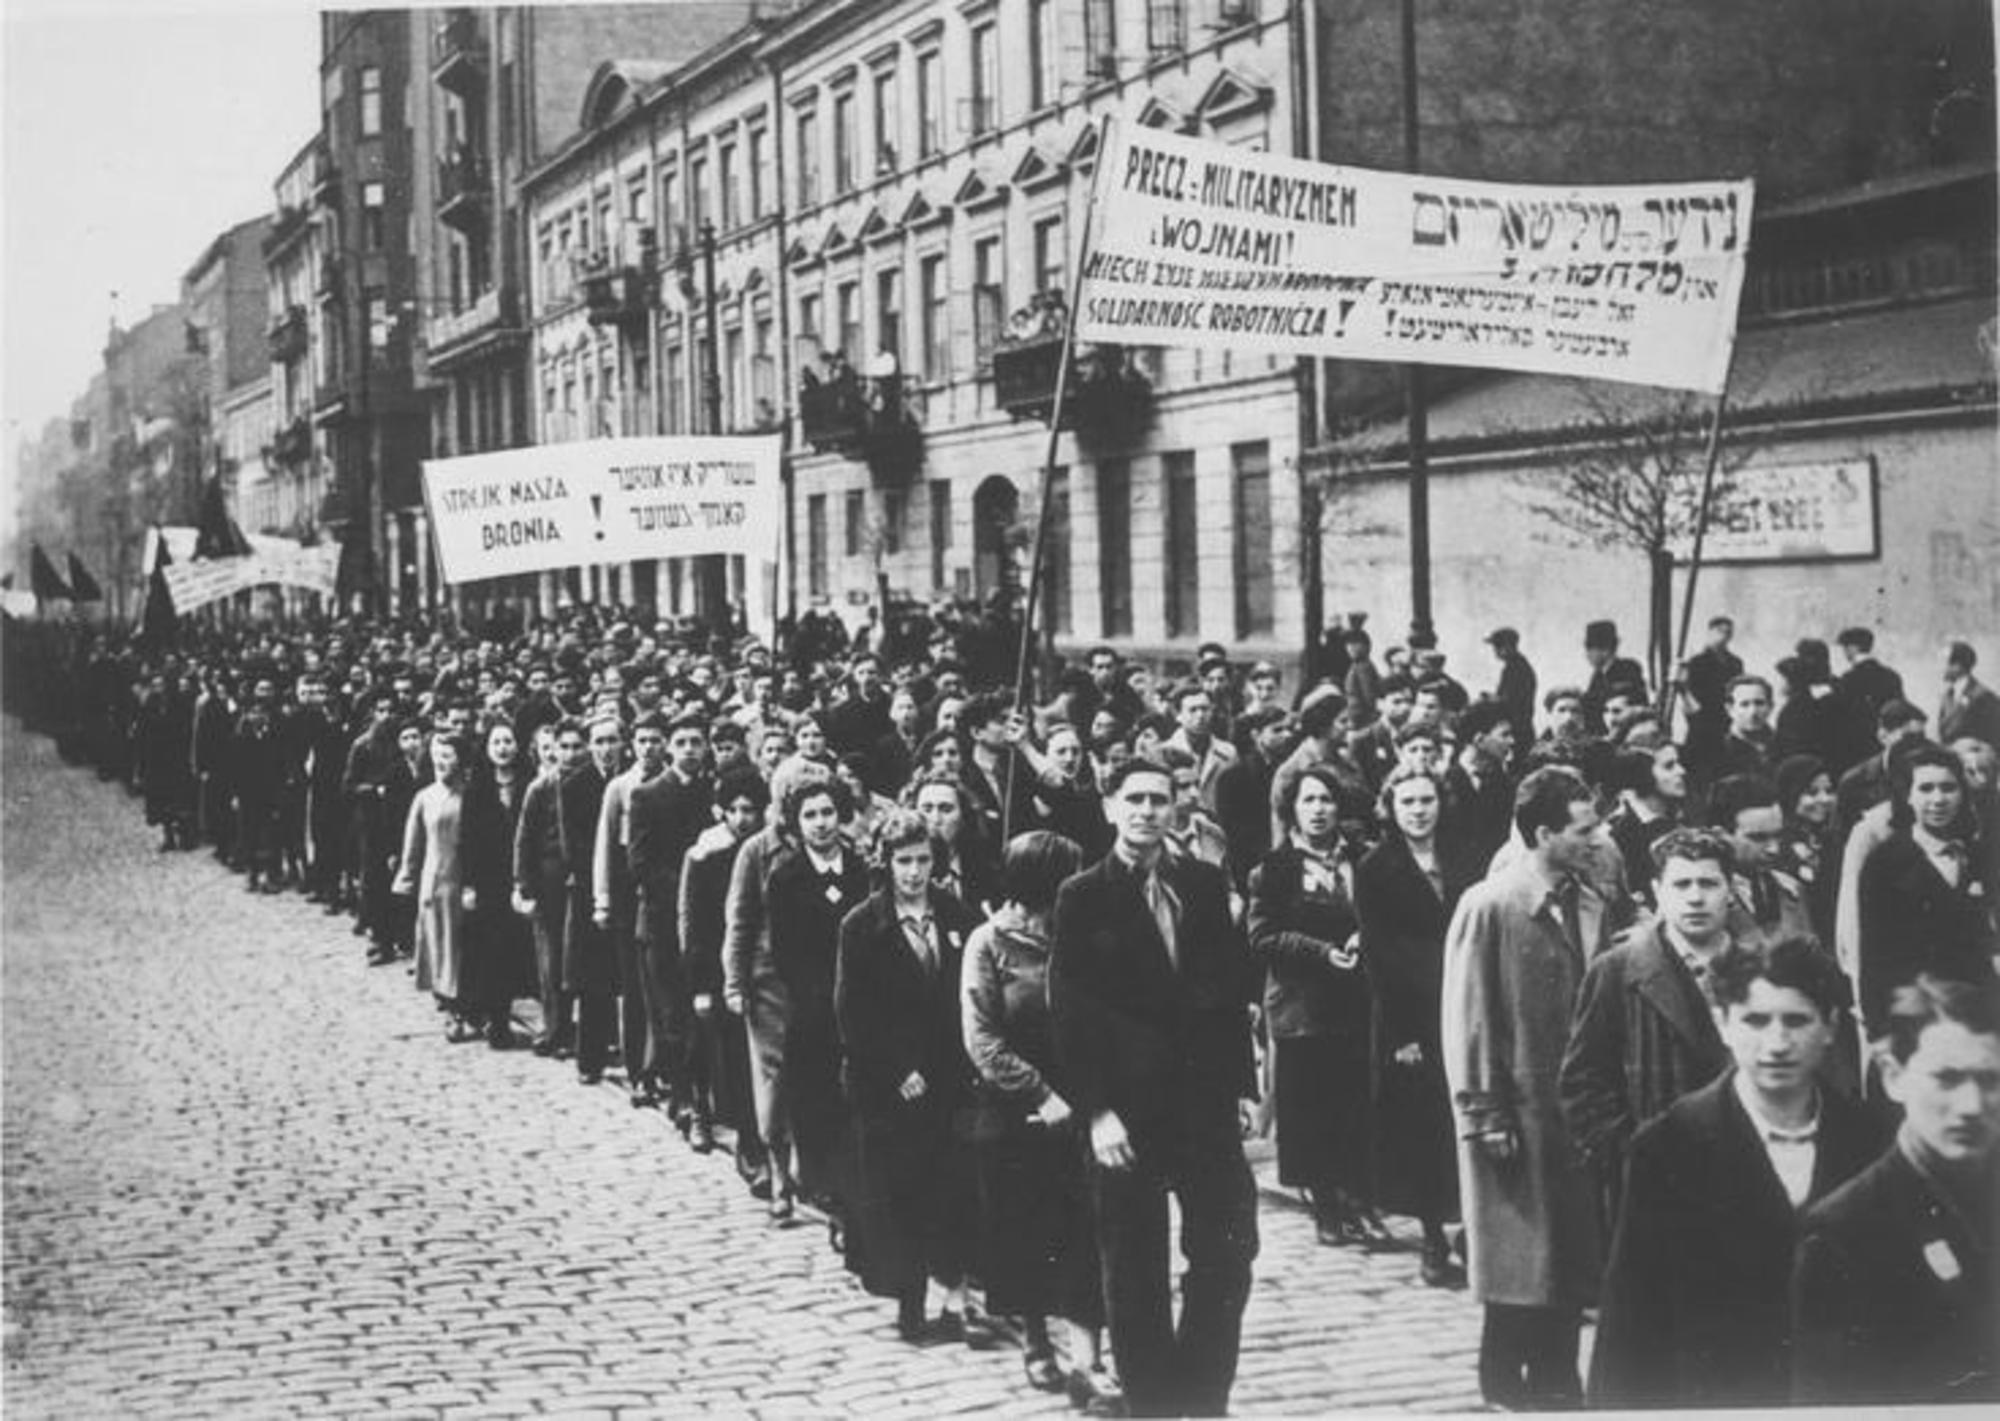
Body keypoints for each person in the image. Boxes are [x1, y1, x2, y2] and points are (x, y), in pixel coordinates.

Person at [1050, 758, 1261, 1418]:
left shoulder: (1201, 884)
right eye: (1134, 798)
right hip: (1126, 1110)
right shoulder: (1083, 895)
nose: (1147, 811)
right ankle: (1153, 1403)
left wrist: (1242, 1085)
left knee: (1228, 1249)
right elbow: (1070, 1010)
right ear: (1110, 807)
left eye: (1159, 799)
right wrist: (1097, 1112)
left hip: (1202, 1104)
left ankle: (1202, 1394)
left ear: (1176, 808)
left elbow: (1228, 989)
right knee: (1135, 1265)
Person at [1589, 938, 1879, 1408]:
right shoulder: (1669, 1148)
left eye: (1797, 1021)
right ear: (1723, 1023)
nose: (1777, 1044)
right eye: (1755, 1021)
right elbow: (1630, 1322)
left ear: (1830, 1026)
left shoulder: (1869, 1140)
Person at [1442, 766, 1609, 1410]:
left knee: (1565, 1251)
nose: (1595, 840)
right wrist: (1484, 1112)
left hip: (1576, 1108)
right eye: (1583, 829)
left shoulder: (1588, 899)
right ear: (1543, 833)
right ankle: (1504, 1380)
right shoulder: (1490, 905)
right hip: (1516, 1107)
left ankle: (1555, 1379)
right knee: (1520, 1255)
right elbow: (1469, 1016)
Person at [961, 830, 1117, 1409]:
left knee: (1087, 1232)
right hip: (1016, 1111)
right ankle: (1034, 1338)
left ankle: (1088, 1361)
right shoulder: (988, 943)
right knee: (1026, 1229)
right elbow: (982, 1038)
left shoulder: (1084, 936)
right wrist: (1039, 1093)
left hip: (1085, 1106)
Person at [1792, 975, 2000, 1404]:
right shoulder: (1842, 1234)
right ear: (1893, 1077)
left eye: (1990, 1080)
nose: (1972, 1105)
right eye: (1947, 1078)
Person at [836, 809, 985, 1344]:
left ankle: (956, 1303)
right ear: (886, 863)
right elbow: (853, 1012)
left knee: (954, 1190)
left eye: (923, 860)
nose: (915, 872)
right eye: (904, 861)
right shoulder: (862, 925)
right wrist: (896, 1069)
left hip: (950, 1079)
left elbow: (971, 996)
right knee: (901, 1195)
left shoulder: (957, 916)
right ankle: (909, 1303)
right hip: (890, 1088)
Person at [1560, 828, 1737, 1207]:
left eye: (1708, 883)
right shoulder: (1617, 971)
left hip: (1746, 1172)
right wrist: (1631, 1156)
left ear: (1731, 890)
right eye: (1681, 884)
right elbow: (1584, 1083)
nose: (1695, 897)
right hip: (1658, 1183)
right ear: (1658, 891)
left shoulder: (1765, 967)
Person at [1247, 765, 1381, 1250]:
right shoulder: (1274, 869)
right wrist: (1321, 952)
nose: (1319, 810)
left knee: (1355, 1103)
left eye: (1326, 800)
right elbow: (1262, 936)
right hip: (1303, 1004)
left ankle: (1358, 1200)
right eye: (1308, 800)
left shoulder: (1364, 859)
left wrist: (1366, 936)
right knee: (1312, 1109)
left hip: (1357, 999)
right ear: (1292, 810)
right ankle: (1325, 1205)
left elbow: (1385, 913)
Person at [1356, 764, 1477, 1287]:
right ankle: (1432, 1238)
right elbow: (1378, 953)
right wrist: (1402, 1035)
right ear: (1391, 808)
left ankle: (1472, 1230)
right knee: (1423, 1128)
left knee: (1466, 1117)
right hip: (1411, 1012)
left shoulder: (1464, 855)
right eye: (1407, 802)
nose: (1419, 810)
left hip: (1465, 999)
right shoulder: (1375, 867)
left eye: (1427, 800)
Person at [758, 774, 867, 1223]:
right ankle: (825, 1191)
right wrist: (822, 995)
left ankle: (855, 1193)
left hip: (861, 1006)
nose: (821, 823)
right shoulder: (786, 877)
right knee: (816, 1100)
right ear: (796, 823)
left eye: (827, 813)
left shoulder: (861, 870)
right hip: (815, 1010)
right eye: (810, 815)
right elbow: (786, 953)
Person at [1855, 744, 1998, 1031]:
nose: (1938, 799)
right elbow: (1873, 955)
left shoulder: (1976, 855)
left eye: (1948, 788)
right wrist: (1879, 1027)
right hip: (1918, 1015)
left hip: (1979, 1011)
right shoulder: (1886, 862)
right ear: (1908, 795)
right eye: (1926, 788)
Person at [681, 766, 773, 1187]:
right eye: (733, 810)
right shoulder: (706, 856)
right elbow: (695, 926)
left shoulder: (767, 855)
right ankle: (743, 1143)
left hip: (761, 971)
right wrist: (701, 985)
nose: (741, 818)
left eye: (749, 810)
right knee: (727, 1057)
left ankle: (765, 1145)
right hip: (718, 970)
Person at [627, 711, 715, 1137]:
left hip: (707, 924)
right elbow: (639, 863)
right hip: (662, 923)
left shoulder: (714, 792)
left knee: (704, 1017)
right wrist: (689, 879)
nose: (689, 750)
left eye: (696, 742)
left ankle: (706, 1099)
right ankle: (686, 1103)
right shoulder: (647, 795)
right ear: (667, 747)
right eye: (681, 743)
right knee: (673, 1018)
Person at [394, 731, 476, 1040]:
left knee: (461, 946)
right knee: (438, 942)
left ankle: (466, 1004)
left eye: (448, 755)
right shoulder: (425, 797)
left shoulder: (470, 796)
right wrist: (406, 876)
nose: (441, 762)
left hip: (462, 880)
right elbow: (413, 843)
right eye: (437, 755)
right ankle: (450, 1006)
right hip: (434, 880)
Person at [460, 718, 532, 1049]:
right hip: (489, 883)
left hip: (521, 878)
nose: (503, 748)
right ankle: (496, 1021)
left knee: (520, 949)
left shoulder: (528, 784)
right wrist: (469, 885)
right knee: (492, 951)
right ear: (487, 749)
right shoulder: (477, 789)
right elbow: (467, 840)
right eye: (496, 742)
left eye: (508, 741)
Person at [514, 721, 578, 1057]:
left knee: (580, 960)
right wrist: (525, 885)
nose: (565, 754)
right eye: (558, 747)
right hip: (548, 882)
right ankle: (555, 1029)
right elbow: (524, 839)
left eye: (573, 747)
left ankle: (589, 1032)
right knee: (551, 961)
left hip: (579, 880)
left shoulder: (589, 784)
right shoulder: (540, 788)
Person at [1939, 639, 2000, 752]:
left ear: (1958, 666)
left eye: (1943, 662)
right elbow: (1945, 736)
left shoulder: (1984, 697)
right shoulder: (1947, 695)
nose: (1939, 667)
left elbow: (1995, 739)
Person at [1486, 627, 1537, 747]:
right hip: (1518, 729)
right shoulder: (1515, 666)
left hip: (1517, 732)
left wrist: (1489, 701)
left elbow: (1509, 702)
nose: (1495, 651)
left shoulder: (1517, 668)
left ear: (1508, 647)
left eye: (1498, 646)